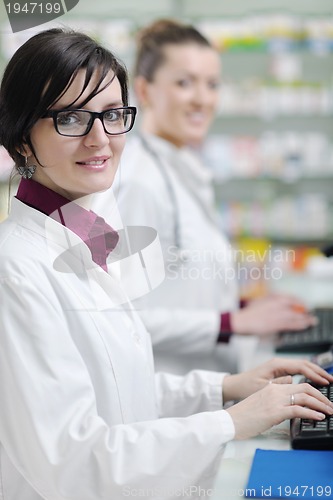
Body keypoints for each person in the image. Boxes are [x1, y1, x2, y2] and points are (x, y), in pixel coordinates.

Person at [1, 27, 333, 500]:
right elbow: (72, 462)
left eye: (112, 115)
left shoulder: (85, 227)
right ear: (21, 140)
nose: (100, 138)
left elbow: (120, 391)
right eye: (71, 118)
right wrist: (229, 421)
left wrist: (225, 387)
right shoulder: (16, 270)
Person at [93, 19, 317, 375]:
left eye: (212, 84)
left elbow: (181, 286)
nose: (202, 98)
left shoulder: (180, 167)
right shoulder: (138, 183)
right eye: (184, 83)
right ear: (145, 91)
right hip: (167, 400)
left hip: (207, 388)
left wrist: (246, 306)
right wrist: (232, 322)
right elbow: (125, 316)